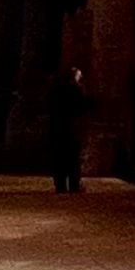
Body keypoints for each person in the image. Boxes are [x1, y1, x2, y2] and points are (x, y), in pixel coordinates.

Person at [46, 63, 88, 196]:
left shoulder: (55, 90)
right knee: (73, 158)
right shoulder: (75, 90)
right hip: (71, 128)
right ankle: (73, 185)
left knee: (59, 158)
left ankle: (60, 185)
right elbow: (82, 107)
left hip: (58, 127)